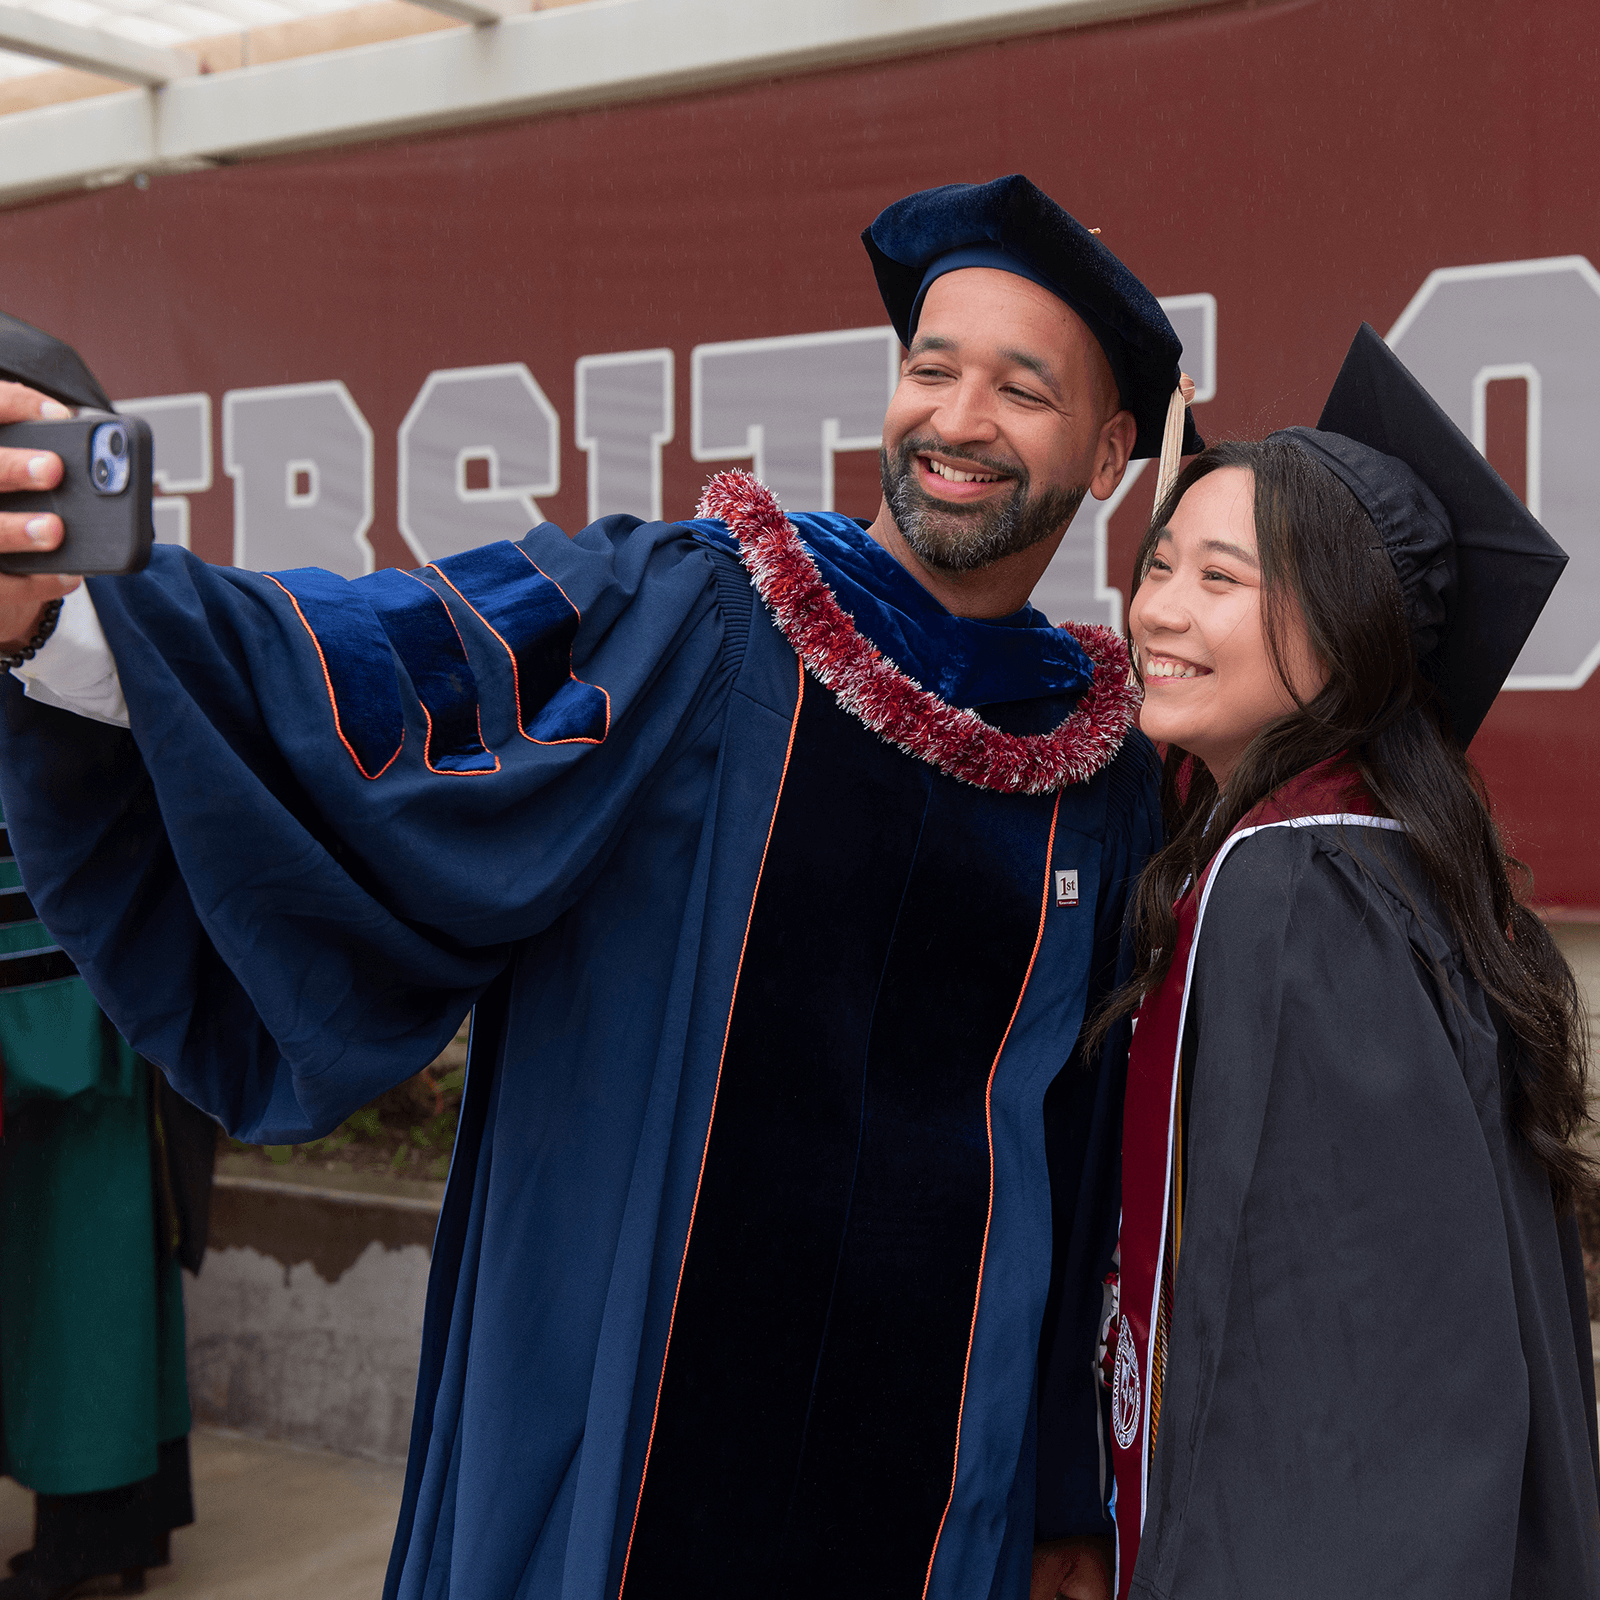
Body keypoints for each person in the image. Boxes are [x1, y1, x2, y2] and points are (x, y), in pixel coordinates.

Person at [0, 175, 1200, 1600]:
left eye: (1022, 390)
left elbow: (1086, 1144)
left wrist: (1065, 1482)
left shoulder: (1099, 768)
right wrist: (80, 617)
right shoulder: (704, 617)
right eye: (930, 369)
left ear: (1112, 447)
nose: (956, 421)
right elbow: (402, 664)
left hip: (946, 1460)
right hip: (640, 1414)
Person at [1099, 324, 1600, 1598]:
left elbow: (1324, 1379)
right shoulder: (1398, 854)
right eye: (1159, 564)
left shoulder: (1295, 890)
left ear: (1350, 628)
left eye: (1222, 578)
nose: (1157, 607)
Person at [0, 801, 214, 1600]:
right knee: (101, 1259)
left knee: (81, 1271)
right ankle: (125, 1525)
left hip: (69, 1019)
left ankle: (91, 1534)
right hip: (105, 984)